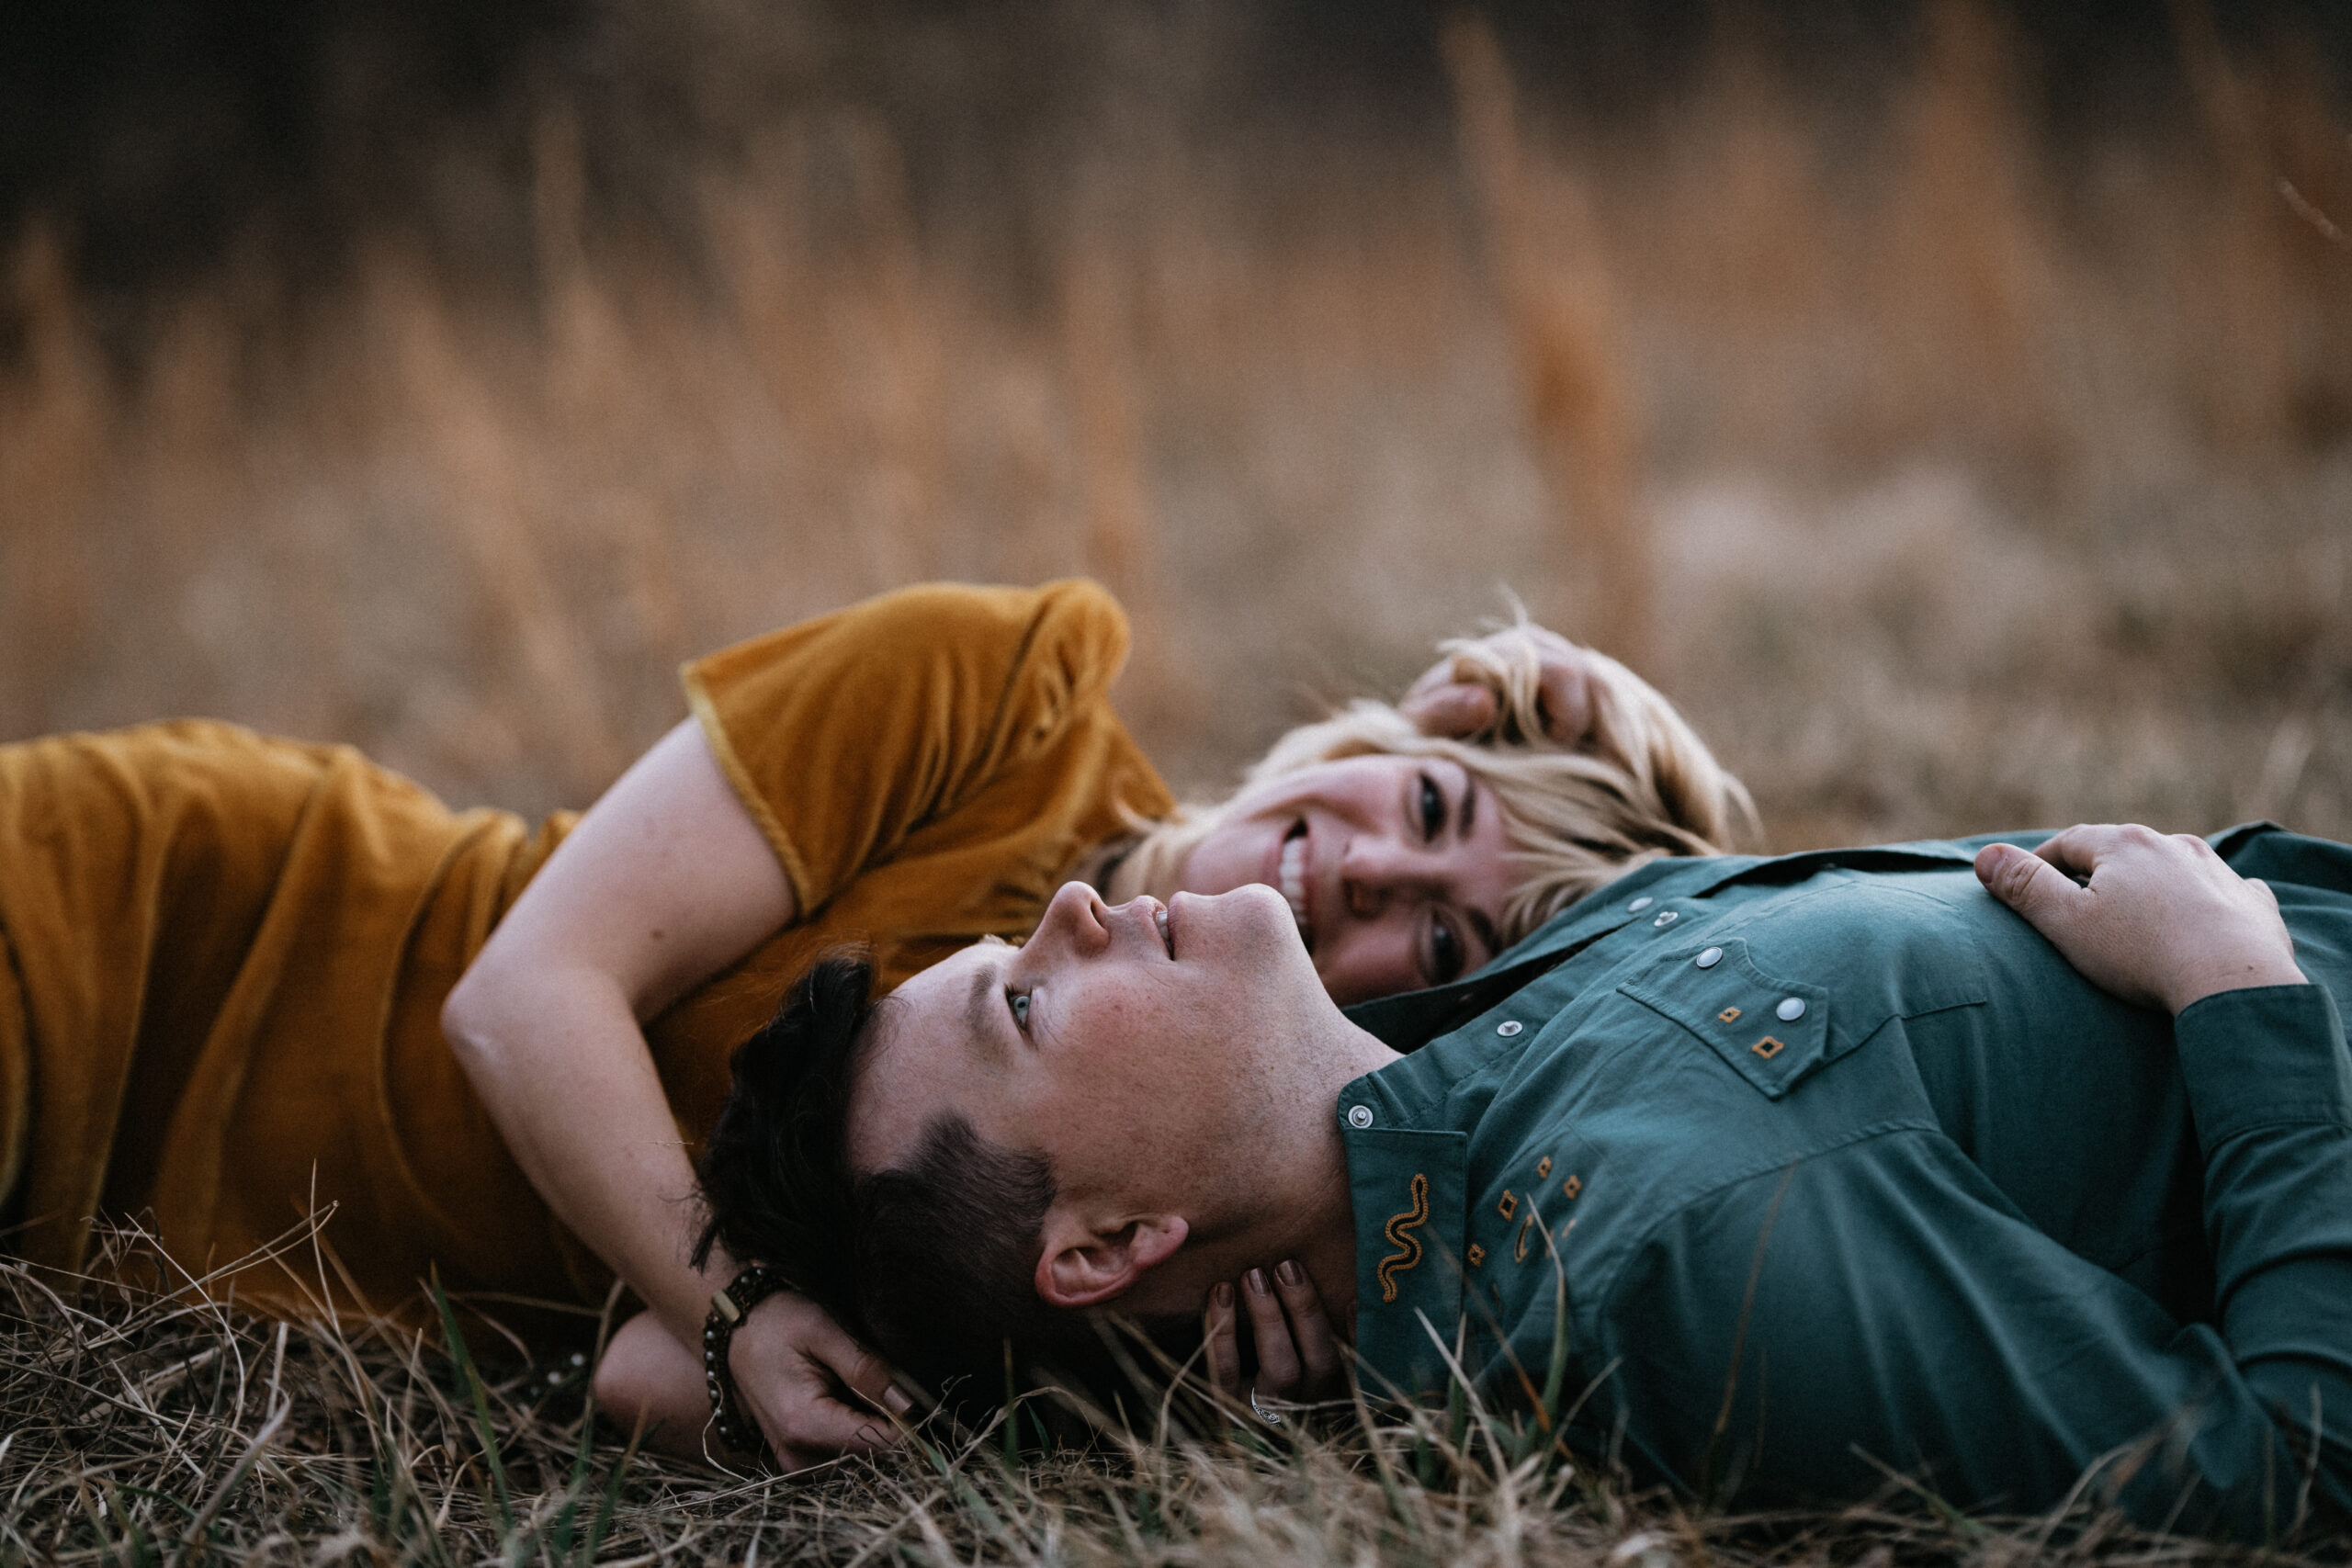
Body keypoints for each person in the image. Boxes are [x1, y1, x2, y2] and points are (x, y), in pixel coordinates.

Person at [0, 577, 1750, 1465]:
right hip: (178, 923)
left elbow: (640, 1382)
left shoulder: (1133, 1182)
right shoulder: (1001, 692)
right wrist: (737, 1302)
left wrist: (1177, 1414)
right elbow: (523, 995)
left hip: (159, 1230)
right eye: (1430, 802)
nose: (1365, 870)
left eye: (1442, 936)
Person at [702, 821, 2352, 1537]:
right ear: (1110, 1243)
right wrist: (2236, 993)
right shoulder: (1674, 1263)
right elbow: (2288, 1478)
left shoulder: (1500, 1011)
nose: (1074, 900)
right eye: (1028, 1002)